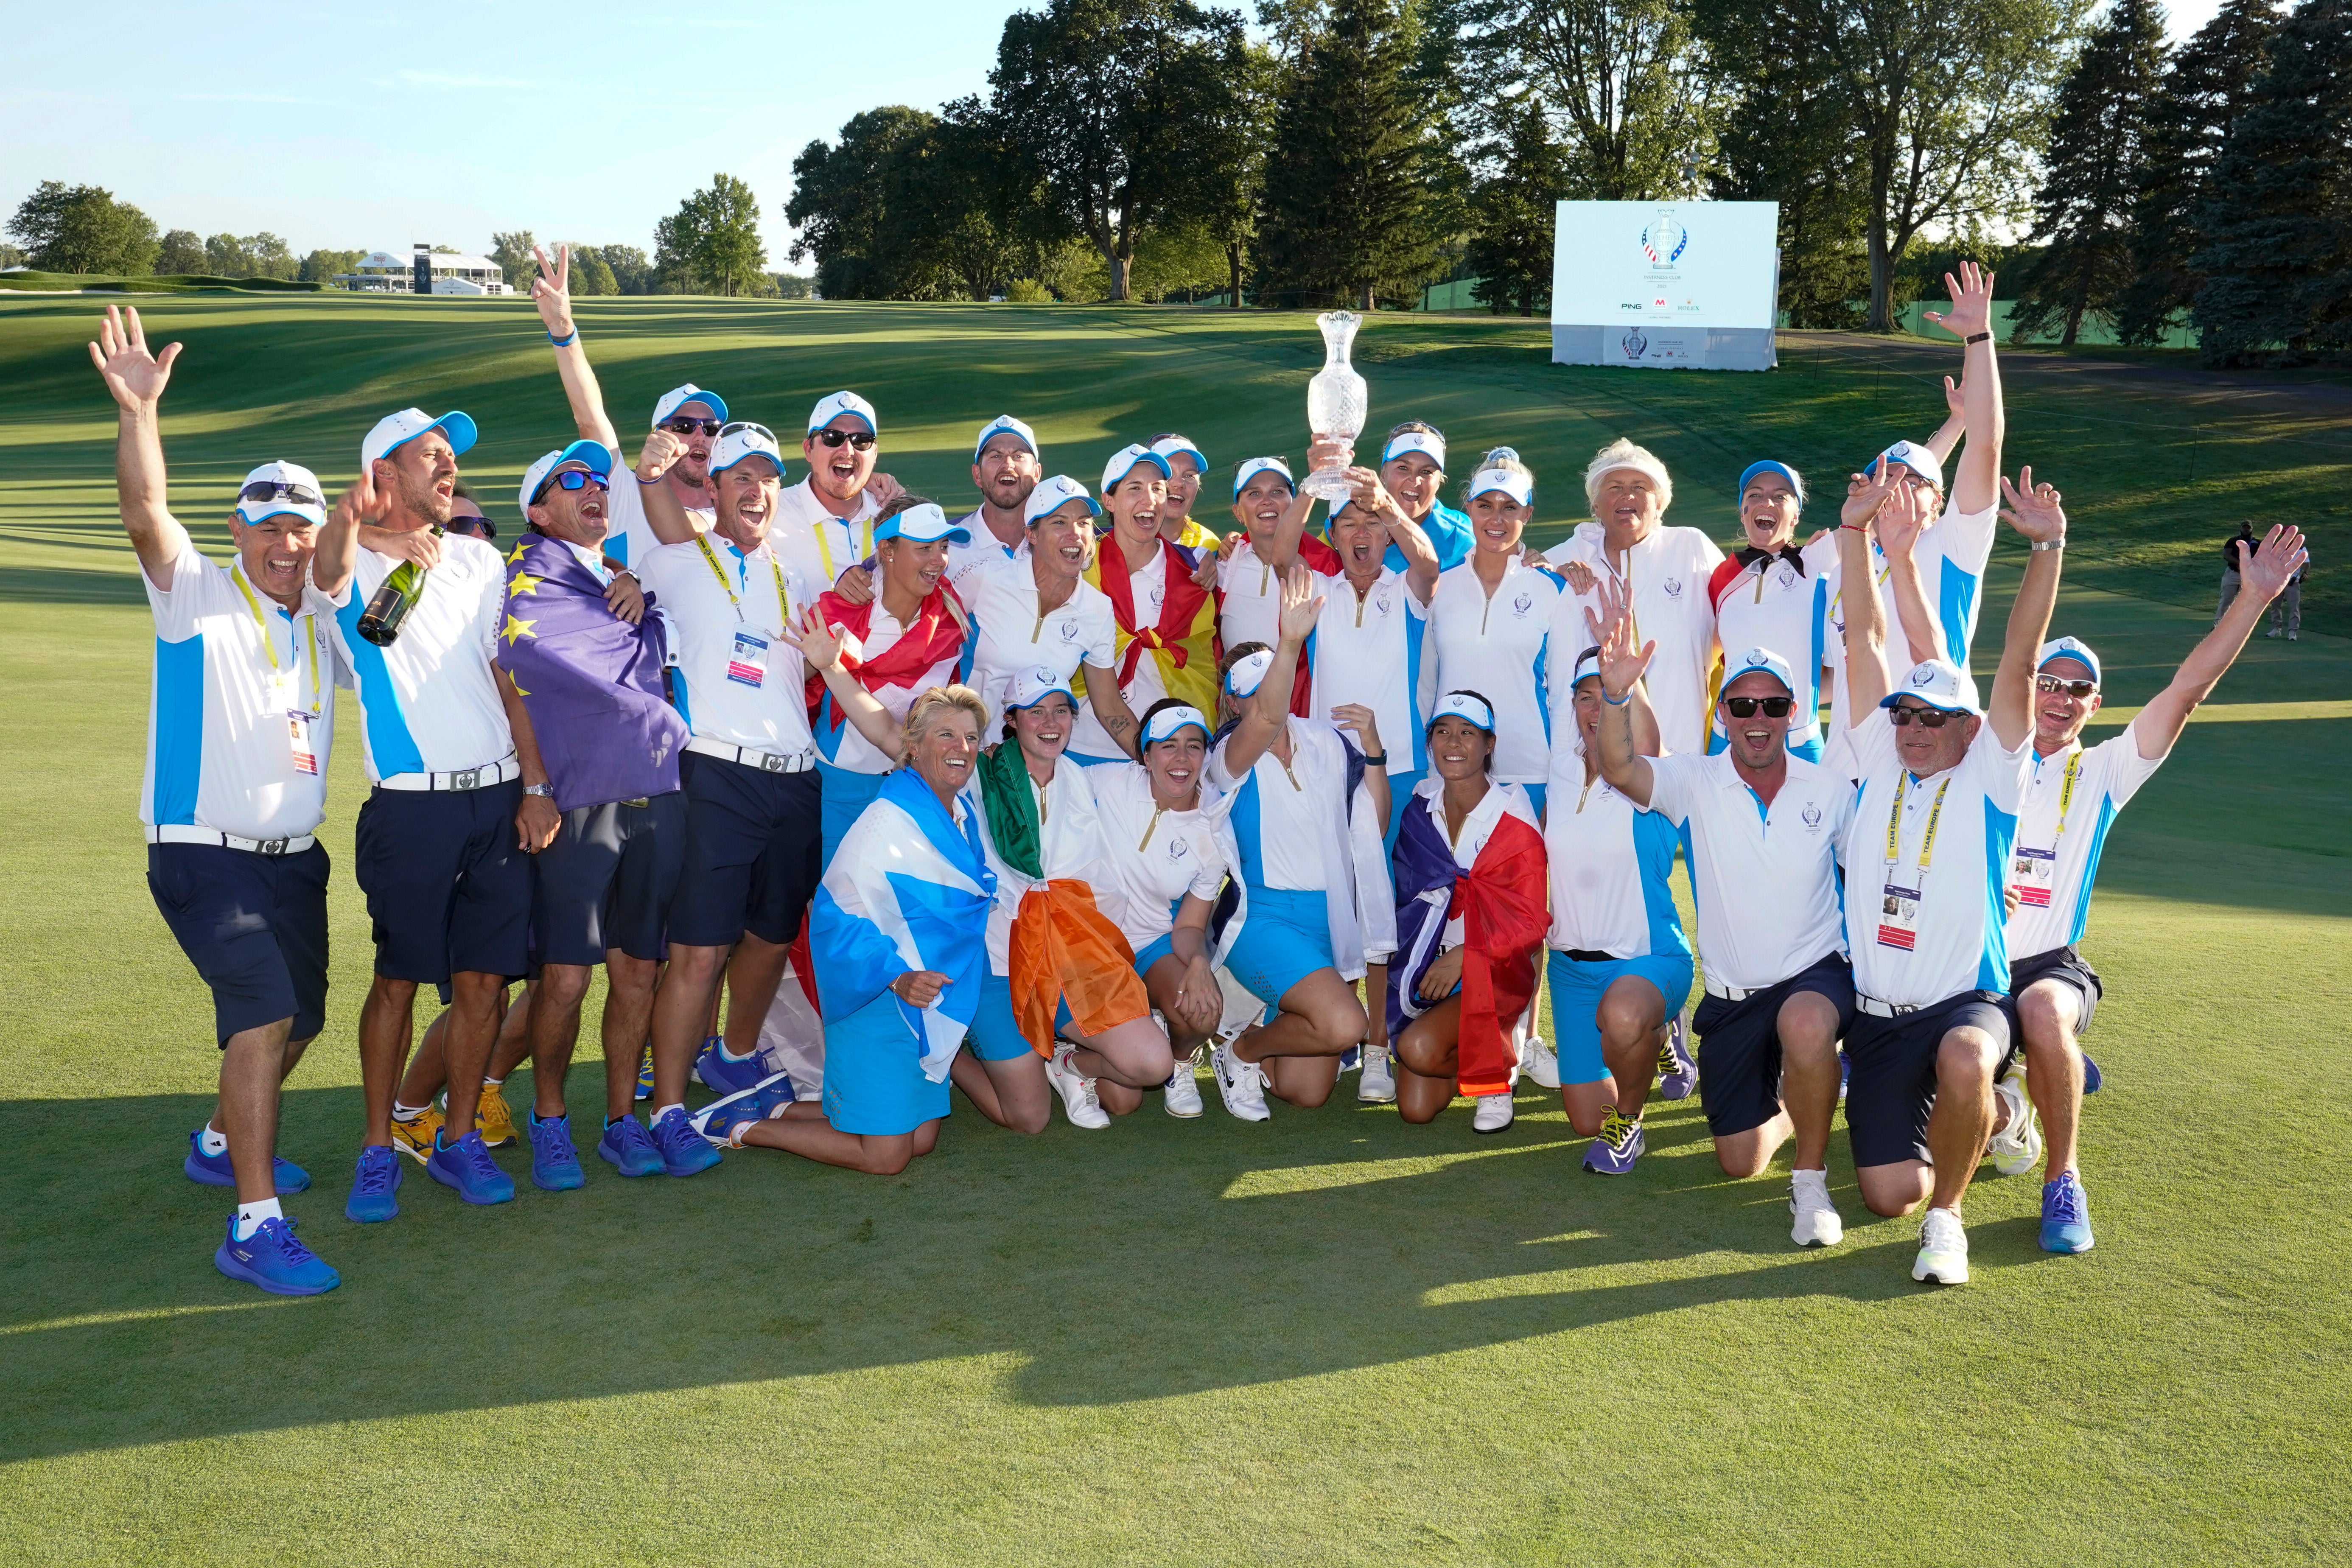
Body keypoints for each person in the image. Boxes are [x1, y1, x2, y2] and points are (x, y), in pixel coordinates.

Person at [91, 305, 341, 1295]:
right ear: (237, 528)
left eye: (300, 527)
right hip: (203, 852)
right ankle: (252, 1221)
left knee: (306, 1018)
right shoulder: (193, 590)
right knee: (263, 1010)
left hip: (294, 860)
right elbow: (146, 513)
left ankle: (215, 1140)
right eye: (268, 524)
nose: (285, 542)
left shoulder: (323, 618)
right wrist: (140, 414)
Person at [1999, 524, 2306, 1254]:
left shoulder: (2104, 770)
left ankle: (2062, 1178)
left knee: (2043, 1011)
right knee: (1958, 1118)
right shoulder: (1984, 757)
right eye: (2048, 682)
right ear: (2026, 686)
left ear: (2093, 702)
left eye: (2077, 689)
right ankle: (2018, 1093)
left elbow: (2187, 689)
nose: (2060, 697)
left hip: (2045, 964)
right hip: (1964, 966)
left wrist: (2252, 600)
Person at [1831, 457, 2066, 1287]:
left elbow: (2020, 664)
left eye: (1936, 718)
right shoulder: (1876, 756)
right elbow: (1864, 637)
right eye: (1907, 714)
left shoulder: (1992, 775)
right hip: (1878, 1017)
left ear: (1972, 730)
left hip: (1963, 1002)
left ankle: (1950, 1222)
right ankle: (1990, 1115)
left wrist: (2046, 550)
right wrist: (1856, 534)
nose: (1916, 728)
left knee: (1966, 1057)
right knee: (1885, 1192)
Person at [312, 400, 530, 1221]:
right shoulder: (344, 566)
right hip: (411, 809)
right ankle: (378, 1146)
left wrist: (535, 787)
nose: (448, 468)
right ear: (384, 476)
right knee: (398, 982)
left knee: (482, 984)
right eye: (429, 456)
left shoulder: (477, 563)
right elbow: (326, 573)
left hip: (497, 797)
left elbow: (507, 679)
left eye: (451, 457)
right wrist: (361, 528)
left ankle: (459, 1136)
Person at [1593, 615, 1858, 1243]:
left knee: (1807, 1024)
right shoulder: (1694, 780)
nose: (1756, 717)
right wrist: (1614, 697)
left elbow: (1876, 873)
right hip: (1735, 997)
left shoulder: (1832, 789)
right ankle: (1805, 1094)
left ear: (1793, 712)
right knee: (1738, 1161)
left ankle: (1811, 1183)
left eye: (1771, 704)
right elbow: (1620, 769)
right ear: (1723, 715)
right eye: (1742, 704)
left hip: (1815, 976)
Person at [491, 441, 692, 1192]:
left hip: (656, 789)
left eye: (597, 480)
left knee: (640, 969)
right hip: (576, 802)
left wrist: (637, 582)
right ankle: (548, 1119)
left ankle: (620, 1121)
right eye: (569, 481)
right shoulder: (523, 583)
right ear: (538, 512)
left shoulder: (619, 580)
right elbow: (509, 673)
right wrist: (535, 784)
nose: (592, 490)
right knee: (567, 979)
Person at [695, 687, 997, 1173]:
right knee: (888, 1157)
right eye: (946, 735)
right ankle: (738, 1126)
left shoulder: (961, 818)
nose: (961, 747)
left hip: (927, 1004)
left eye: (970, 737)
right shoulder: (889, 821)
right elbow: (836, 917)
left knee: (921, 1138)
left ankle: (774, 1106)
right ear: (913, 747)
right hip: (878, 996)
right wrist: (898, 978)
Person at [628, 422, 819, 1177]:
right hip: (716, 773)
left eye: (767, 475)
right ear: (712, 487)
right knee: (699, 951)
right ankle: (669, 1108)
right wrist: (648, 483)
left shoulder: (792, 574)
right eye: (739, 474)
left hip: (794, 776)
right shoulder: (672, 560)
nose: (755, 488)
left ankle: (734, 1055)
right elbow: (646, 550)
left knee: (770, 938)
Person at [1205, 569, 1396, 1121]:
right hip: (1262, 920)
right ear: (1234, 701)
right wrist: (1290, 640)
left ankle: (1257, 1029)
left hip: (1326, 919)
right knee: (1344, 1026)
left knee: (1304, 1090)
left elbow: (1375, 825)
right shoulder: (1226, 759)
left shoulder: (1325, 746)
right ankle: (1239, 1055)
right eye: (1253, 691)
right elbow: (1266, 719)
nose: (1267, 699)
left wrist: (1375, 753)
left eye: (1275, 683)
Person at [1820, 263, 2007, 772]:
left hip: (1935, 762)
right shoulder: (1845, 568)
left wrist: (1979, 339)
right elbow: (1839, 671)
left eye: (1915, 483)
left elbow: (1986, 447)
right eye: (1887, 478)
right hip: (1848, 775)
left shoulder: (1955, 544)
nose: (1897, 489)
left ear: (1940, 501)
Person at [1543, 635, 1700, 1166]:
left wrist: (1625, 681)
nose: (1596, 707)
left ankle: (1629, 1124)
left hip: (1647, 959)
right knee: (1584, 1116)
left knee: (1624, 1016)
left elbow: (1645, 742)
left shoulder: (1652, 773)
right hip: (1570, 971)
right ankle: (1657, 1038)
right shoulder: (1560, 771)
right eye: (1586, 696)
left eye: (1609, 695)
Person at [1387, 693, 1548, 1134]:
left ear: (1489, 745)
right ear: (1430, 742)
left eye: (1467, 733)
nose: (1453, 743)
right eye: (1443, 732)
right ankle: (1482, 1061)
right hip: (1430, 967)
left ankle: (1498, 1070)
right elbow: (1406, 895)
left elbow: (1531, 923)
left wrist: (1464, 955)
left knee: (1418, 1049)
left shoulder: (1513, 819)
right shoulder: (1421, 811)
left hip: (1496, 970)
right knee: (1415, 1109)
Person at [1081, 701, 1246, 1122]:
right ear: (1146, 755)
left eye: (1194, 746)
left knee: (1204, 1009)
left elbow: (1190, 923)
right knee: (1122, 1100)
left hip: (1150, 943)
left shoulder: (1212, 828)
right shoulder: (1108, 780)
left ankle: (1179, 1062)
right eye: (1168, 746)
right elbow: (1041, 781)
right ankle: (1076, 1057)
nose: (1182, 758)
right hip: (1090, 947)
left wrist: (1197, 962)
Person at [530, 244, 724, 566]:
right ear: (658, 435)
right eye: (685, 427)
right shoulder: (623, 492)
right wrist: (563, 332)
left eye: (712, 428)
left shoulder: (738, 510)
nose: (700, 436)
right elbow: (590, 419)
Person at [807, 499, 974, 864]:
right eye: (924, 548)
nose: (939, 560)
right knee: (836, 900)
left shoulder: (953, 615)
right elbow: (798, 683)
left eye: (944, 548)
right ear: (887, 550)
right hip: (841, 786)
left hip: (915, 784)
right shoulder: (842, 609)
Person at [1543, 440, 1723, 757]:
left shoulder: (1692, 548)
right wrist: (1533, 565)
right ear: (1596, 505)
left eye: (1640, 487)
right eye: (1614, 487)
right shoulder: (1561, 562)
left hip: (1684, 758)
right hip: (1592, 767)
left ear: (1659, 504)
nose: (1627, 496)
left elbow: (1743, 604)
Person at [958, 473, 1140, 750]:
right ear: (1031, 534)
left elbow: (1110, 708)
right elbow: (930, 636)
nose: (1075, 533)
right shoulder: (986, 577)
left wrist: (1151, 760)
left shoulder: (1098, 609)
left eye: (1083, 523)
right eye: (1059, 523)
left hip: (1035, 764)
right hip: (965, 755)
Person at [1069, 444, 1219, 765]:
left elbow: (1202, 662)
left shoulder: (1192, 573)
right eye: (1134, 488)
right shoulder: (1079, 569)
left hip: (1170, 760)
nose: (1149, 500)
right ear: (1108, 500)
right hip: (1084, 748)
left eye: (1158, 489)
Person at [1428, 452, 1560, 816]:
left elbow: (1565, 692)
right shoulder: (1440, 585)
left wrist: (1562, 774)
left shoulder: (1553, 588)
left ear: (1527, 514)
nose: (1496, 519)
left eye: (1510, 508)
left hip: (1529, 768)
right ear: (1468, 508)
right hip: (1452, 767)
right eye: (1485, 506)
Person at [1708, 461, 1834, 761]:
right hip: (1725, 740)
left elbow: (1879, 512)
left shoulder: (1818, 563)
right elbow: (1712, 655)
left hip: (1797, 741)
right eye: (1754, 495)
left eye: (1781, 496)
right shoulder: (1720, 576)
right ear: (1743, 512)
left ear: (1796, 516)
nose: (1766, 502)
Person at [1215, 456, 1334, 678]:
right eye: (1254, 494)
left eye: (1278, 492)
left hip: (1302, 700)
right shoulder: (1224, 563)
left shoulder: (1326, 562)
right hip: (1237, 702)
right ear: (1238, 513)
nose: (1267, 501)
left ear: (1294, 505)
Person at [772, 391, 893, 599]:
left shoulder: (894, 515)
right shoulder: (770, 513)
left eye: (861, 440)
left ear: (874, 454)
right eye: (833, 438)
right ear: (808, 450)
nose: (847, 450)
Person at [1325, 421, 1476, 576]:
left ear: (1439, 482)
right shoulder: (1349, 516)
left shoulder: (1462, 543)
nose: (1414, 480)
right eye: (1403, 468)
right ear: (1383, 473)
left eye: (1426, 472)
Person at [945, 414, 1045, 592]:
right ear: (977, 475)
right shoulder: (947, 543)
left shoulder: (1058, 538)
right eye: (996, 456)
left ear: (1037, 473)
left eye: (1018, 456)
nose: (1008, 465)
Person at [1148, 433, 1223, 554]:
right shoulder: (1110, 544)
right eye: (1168, 473)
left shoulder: (1210, 545)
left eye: (1189, 476)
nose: (1179, 483)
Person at [2216, 521, 2254, 624]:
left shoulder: (2257, 543)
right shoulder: (2233, 541)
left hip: (2248, 575)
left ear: (2252, 529)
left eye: (2249, 528)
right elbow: (2226, 555)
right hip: (2233, 573)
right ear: (2241, 528)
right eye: (2244, 527)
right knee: (2226, 599)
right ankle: (2218, 625)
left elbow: (2260, 558)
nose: (2246, 529)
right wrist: (2240, 564)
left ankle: (2239, 627)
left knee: (2245, 602)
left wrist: (2248, 567)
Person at [2266, 545, 2304, 640]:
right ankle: (2277, 629)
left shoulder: (2300, 549)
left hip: (2292, 582)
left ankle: (2292, 632)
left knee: (2294, 607)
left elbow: (2307, 563)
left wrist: (2305, 573)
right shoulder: (2278, 548)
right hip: (2278, 581)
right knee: (2275, 605)